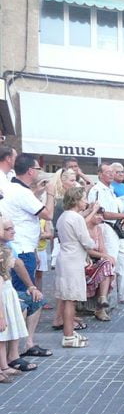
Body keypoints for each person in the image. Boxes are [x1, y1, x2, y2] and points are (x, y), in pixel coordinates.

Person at [0, 153, 54, 359]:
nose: (39, 173)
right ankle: (19, 347)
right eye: (37, 169)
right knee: (24, 299)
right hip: (21, 249)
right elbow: (47, 214)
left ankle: (22, 344)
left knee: (22, 298)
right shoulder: (22, 193)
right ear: (31, 171)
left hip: (22, 247)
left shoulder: (15, 188)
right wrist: (50, 194)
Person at [87, 163, 124, 304]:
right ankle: (106, 298)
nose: (110, 174)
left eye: (111, 172)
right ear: (100, 174)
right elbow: (102, 213)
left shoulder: (112, 190)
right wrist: (123, 216)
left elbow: (116, 211)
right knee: (110, 262)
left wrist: (123, 218)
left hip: (116, 229)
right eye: (107, 172)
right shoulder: (97, 190)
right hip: (106, 228)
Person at [55, 187, 96, 347]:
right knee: (70, 300)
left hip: (65, 258)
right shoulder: (76, 218)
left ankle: (70, 331)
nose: (86, 201)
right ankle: (68, 336)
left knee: (67, 298)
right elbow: (87, 241)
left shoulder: (63, 216)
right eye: (84, 198)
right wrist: (92, 244)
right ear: (76, 200)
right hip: (72, 262)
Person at [0, 217, 30, 381]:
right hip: (2, 301)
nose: (14, 262)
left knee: (3, 337)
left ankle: (4, 365)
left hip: (7, 294)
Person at [84, 209, 116, 322]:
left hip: (96, 262)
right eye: (97, 214)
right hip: (84, 262)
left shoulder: (98, 229)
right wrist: (105, 256)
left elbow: (102, 249)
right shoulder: (83, 228)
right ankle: (100, 306)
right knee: (106, 265)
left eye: (101, 215)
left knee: (107, 265)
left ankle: (102, 300)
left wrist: (107, 257)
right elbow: (87, 250)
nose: (101, 218)